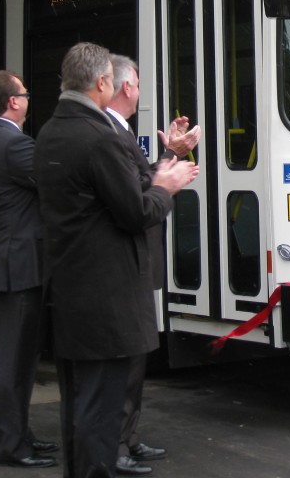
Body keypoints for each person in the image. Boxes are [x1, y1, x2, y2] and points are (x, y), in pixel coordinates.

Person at [35, 43, 199, 478]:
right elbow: (136, 212)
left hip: (74, 289)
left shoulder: (53, 129)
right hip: (106, 295)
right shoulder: (99, 137)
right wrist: (168, 186)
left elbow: (114, 193)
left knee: (82, 403)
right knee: (101, 409)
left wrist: (166, 164)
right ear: (104, 83)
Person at [105, 54, 200, 477]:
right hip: (121, 262)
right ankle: (115, 444)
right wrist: (167, 181)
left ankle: (126, 436)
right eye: (138, 83)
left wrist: (168, 154)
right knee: (122, 358)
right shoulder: (104, 132)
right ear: (126, 87)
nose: (139, 90)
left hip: (133, 261)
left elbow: (135, 182)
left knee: (134, 356)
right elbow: (134, 202)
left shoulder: (115, 130)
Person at [0, 70, 58, 469]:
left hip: (12, 261)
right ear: (13, 102)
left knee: (19, 360)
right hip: (16, 264)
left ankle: (19, 436)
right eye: (24, 92)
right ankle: (11, 445)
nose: (28, 98)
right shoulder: (12, 143)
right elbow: (55, 181)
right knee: (12, 362)